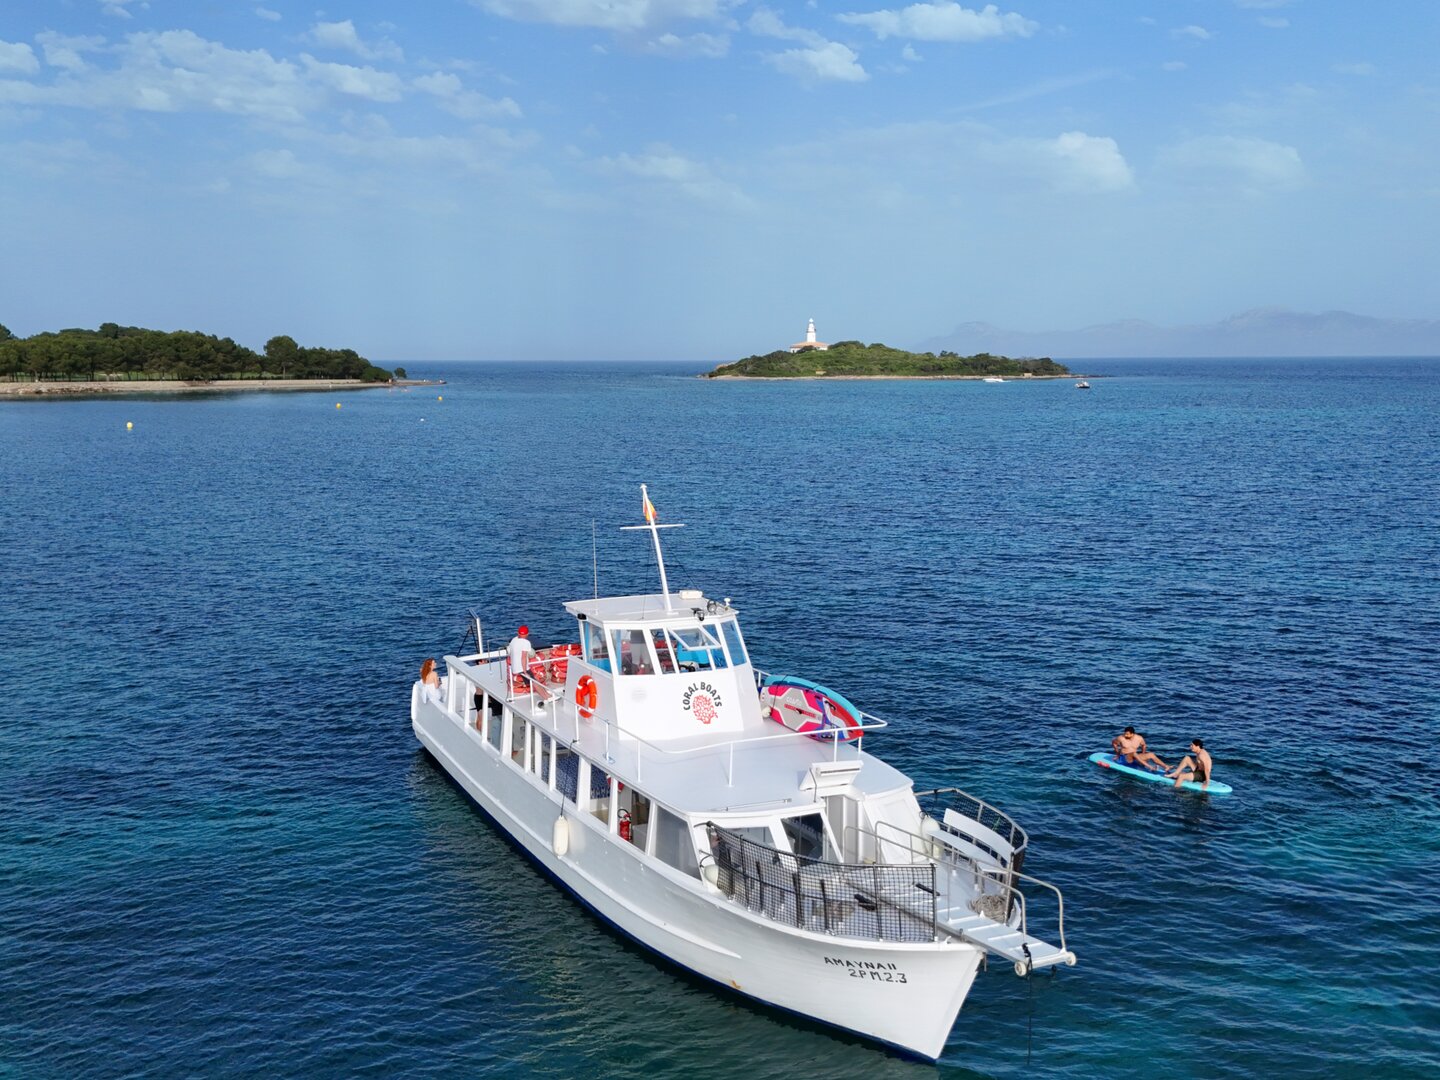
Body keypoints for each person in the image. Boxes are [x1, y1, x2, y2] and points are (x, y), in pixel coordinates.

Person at [508, 625, 534, 692]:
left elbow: (510, 652)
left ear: (518, 633)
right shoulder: (526, 642)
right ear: (527, 634)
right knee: (535, 682)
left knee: (532, 681)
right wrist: (525, 672)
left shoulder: (513, 640)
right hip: (522, 669)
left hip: (514, 668)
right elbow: (523, 657)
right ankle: (547, 697)